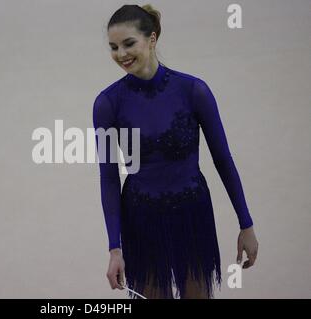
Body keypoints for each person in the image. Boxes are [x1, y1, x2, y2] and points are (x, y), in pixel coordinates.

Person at [92, 4, 259, 299]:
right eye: (114, 47)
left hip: (191, 212)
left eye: (129, 43)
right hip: (142, 219)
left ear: (152, 39)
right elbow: (108, 177)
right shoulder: (108, 104)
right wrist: (114, 248)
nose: (121, 54)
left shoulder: (193, 91)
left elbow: (223, 159)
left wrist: (245, 223)